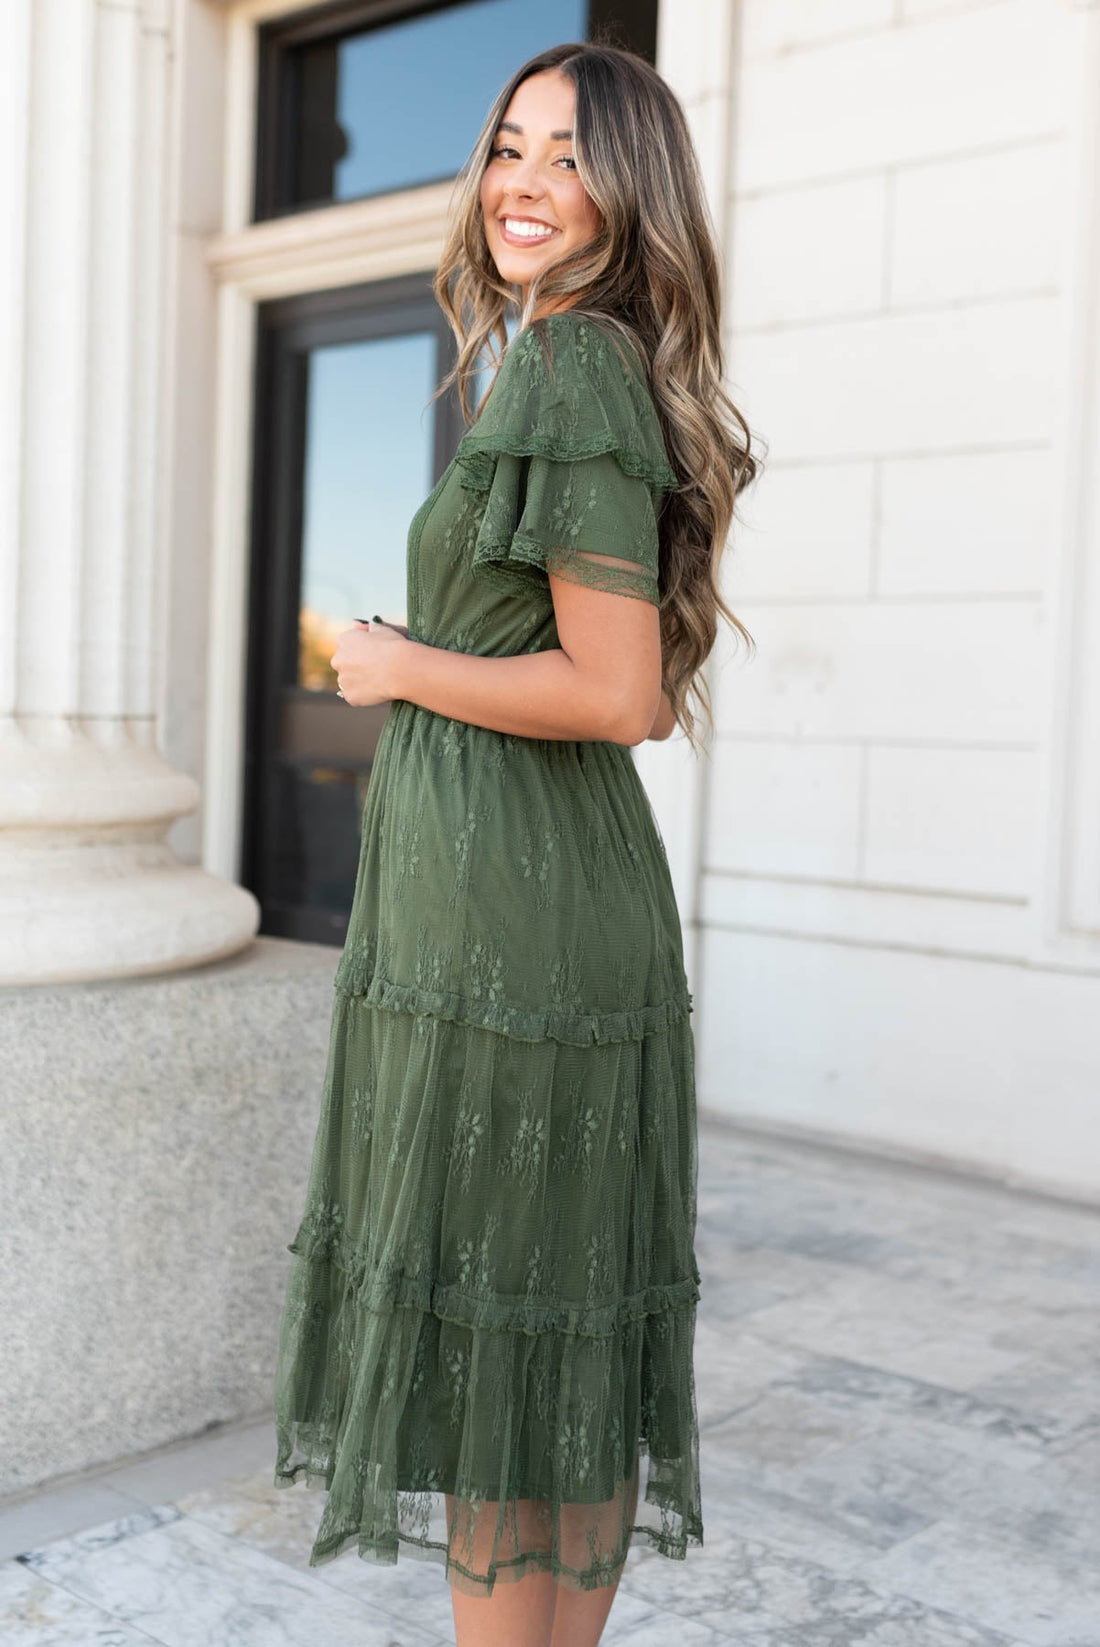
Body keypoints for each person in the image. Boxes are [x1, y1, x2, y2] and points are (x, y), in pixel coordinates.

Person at [272, 38, 758, 1647]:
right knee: (556, 1339)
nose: (525, 184)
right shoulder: (573, 360)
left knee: (505, 1336)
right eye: (506, 147)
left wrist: (397, 662)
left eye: (568, 155)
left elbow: (615, 692)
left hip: (516, 914)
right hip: (533, 887)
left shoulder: (574, 367)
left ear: (633, 195)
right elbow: (614, 671)